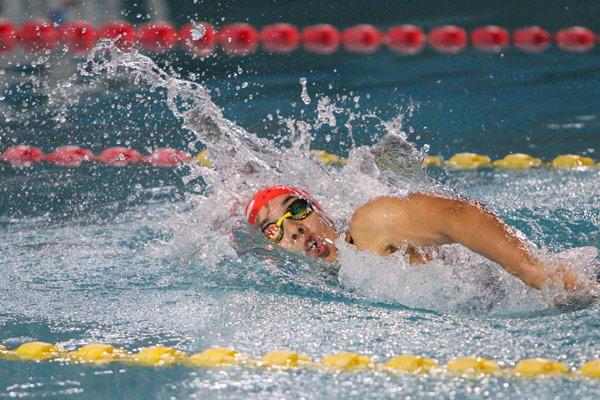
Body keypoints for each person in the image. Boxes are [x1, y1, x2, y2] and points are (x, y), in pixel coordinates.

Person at [245, 185, 598, 295]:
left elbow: (456, 215)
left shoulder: (367, 228)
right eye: (273, 230)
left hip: (566, 281)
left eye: (297, 209)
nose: (293, 228)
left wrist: (534, 271)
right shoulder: (334, 282)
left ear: (318, 209)